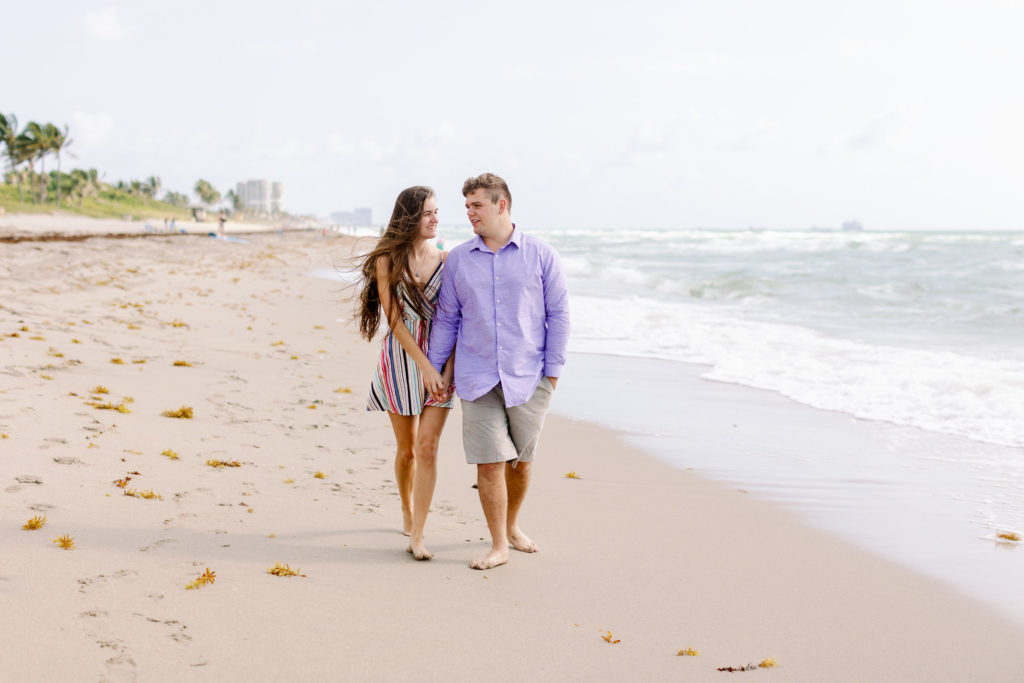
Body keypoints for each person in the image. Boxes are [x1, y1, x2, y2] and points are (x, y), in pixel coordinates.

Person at [428, 173, 569, 570]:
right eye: (467, 206)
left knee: (521, 463)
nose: (469, 213)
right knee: (489, 462)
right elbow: (447, 319)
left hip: (529, 376)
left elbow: (559, 315)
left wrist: (553, 373)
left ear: (501, 205)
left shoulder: (542, 255)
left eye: (477, 205)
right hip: (477, 377)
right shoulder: (457, 259)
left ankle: (512, 526)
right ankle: (498, 546)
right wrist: (438, 370)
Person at [356, 186, 455, 560]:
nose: (435, 219)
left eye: (436, 212)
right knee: (408, 450)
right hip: (401, 359)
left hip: (439, 363)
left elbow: (455, 318)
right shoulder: (387, 261)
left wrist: (442, 368)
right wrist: (424, 365)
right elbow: (395, 321)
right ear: (410, 217)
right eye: (428, 213)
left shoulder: (446, 260)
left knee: (428, 448)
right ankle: (406, 507)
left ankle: (419, 531)